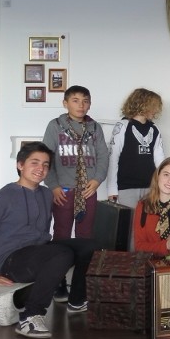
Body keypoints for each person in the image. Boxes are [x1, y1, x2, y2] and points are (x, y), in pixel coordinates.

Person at [0, 142, 99, 338]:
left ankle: (77, 300)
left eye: (45, 164)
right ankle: (30, 316)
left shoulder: (46, 194)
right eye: (34, 162)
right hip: (9, 260)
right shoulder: (2, 198)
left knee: (90, 246)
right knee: (62, 254)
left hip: (37, 250)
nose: (40, 169)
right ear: (20, 165)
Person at [42, 85, 110, 240]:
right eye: (75, 100)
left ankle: (83, 257)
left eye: (85, 101)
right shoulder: (55, 126)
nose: (81, 105)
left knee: (86, 233)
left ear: (90, 105)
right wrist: (53, 185)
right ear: (65, 103)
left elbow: (103, 156)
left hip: (88, 189)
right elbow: (46, 157)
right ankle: (61, 256)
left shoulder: (95, 127)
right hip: (62, 190)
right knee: (61, 231)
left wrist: (97, 180)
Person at [106, 88, 165, 208]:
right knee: (129, 219)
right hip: (127, 186)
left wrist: (162, 183)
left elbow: (160, 159)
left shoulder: (154, 129)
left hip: (150, 186)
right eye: (154, 106)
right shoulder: (123, 126)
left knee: (148, 218)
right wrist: (112, 188)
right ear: (143, 105)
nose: (156, 110)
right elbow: (113, 158)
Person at [133, 157, 170, 256]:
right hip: (150, 262)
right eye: (166, 175)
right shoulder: (143, 206)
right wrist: (165, 245)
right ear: (158, 175)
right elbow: (139, 246)